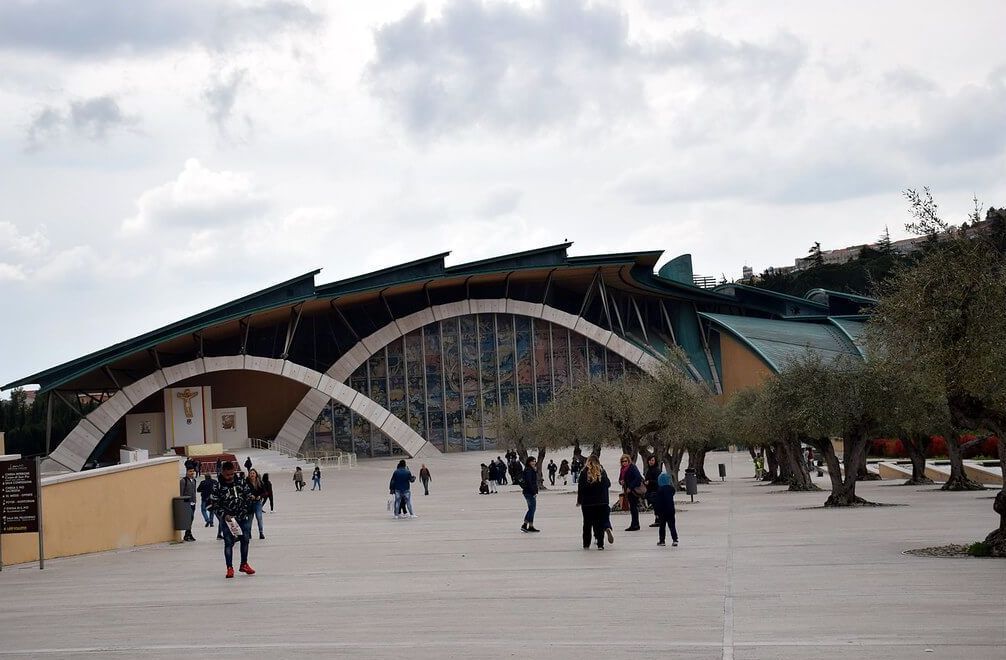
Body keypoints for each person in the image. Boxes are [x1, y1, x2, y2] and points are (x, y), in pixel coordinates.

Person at [207, 461, 256, 579]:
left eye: (232, 474)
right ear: (223, 473)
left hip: (242, 517)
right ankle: (229, 567)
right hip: (228, 520)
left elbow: (248, 495)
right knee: (228, 543)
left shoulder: (240, 482)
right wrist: (224, 515)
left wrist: (248, 504)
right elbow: (213, 504)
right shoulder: (217, 487)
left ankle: (244, 564)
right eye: (227, 475)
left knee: (245, 540)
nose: (230, 477)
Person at [577, 455, 611, 550]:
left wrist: (579, 500)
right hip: (601, 502)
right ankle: (600, 544)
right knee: (599, 524)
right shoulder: (602, 472)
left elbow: (581, 488)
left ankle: (586, 543)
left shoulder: (584, 472)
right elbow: (608, 484)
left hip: (587, 503)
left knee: (587, 524)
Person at [652, 473, 679, 547]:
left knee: (662, 526)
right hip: (670, 510)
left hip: (662, 511)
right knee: (672, 526)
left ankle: (662, 540)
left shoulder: (659, 490)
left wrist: (656, 512)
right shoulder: (671, 489)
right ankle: (675, 539)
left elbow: (657, 503)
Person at [619, 454, 643, 531]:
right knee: (632, 507)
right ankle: (634, 524)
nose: (624, 463)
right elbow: (620, 478)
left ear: (628, 461)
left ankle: (635, 524)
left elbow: (638, 478)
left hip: (633, 490)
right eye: (622, 461)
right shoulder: (622, 469)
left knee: (634, 507)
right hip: (627, 490)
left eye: (625, 461)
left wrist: (630, 487)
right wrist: (621, 482)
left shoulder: (632, 467)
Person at [520, 456, 540, 533]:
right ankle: (524, 525)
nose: (534, 462)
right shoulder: (528, 470)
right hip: (529, 492)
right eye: (532, 461)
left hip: (529, 491)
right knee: (532, 509)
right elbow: (529, 482)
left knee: (532, 509)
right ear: (529, 462)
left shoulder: (531, 469)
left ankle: (531, 526)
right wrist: (533, 492)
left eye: (534, 461)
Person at [246, 468, 267, 540]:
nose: (252, 474)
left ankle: (261, 532)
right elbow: (243, 492)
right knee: (249, 520)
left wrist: (260, 496)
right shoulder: (246, 483)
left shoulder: (260, 483)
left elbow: (265, 492)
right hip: (249, 503)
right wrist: (249, 495)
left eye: (253, 473)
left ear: (256, 474)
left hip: (257, 503)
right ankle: (249, 534)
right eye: (251, 473)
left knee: (259, 517)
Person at [179, 467, 198, 542]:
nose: (192, 473)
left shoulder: (194, 480)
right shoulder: (183, 481)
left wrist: (195, 500)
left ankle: (188, 534)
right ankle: (188, 534)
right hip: (186, 503)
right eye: (190, 471)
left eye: (193, 471)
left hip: (193, 502)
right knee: (190, 517)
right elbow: (181, 492)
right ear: (186, 472)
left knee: (191, 519)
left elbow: (194, 491)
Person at [644, 455, 661, 527]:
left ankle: (659, 520)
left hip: (656, 491)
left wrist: (649, 482)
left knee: (657, 506)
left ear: (655, 461)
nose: (651, 462)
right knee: (655, 506)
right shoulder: (649, 470)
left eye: (652, 460)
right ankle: (657, 520)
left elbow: (658, 481)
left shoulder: (656, 470)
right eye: (650, 460)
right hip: (650, 490)